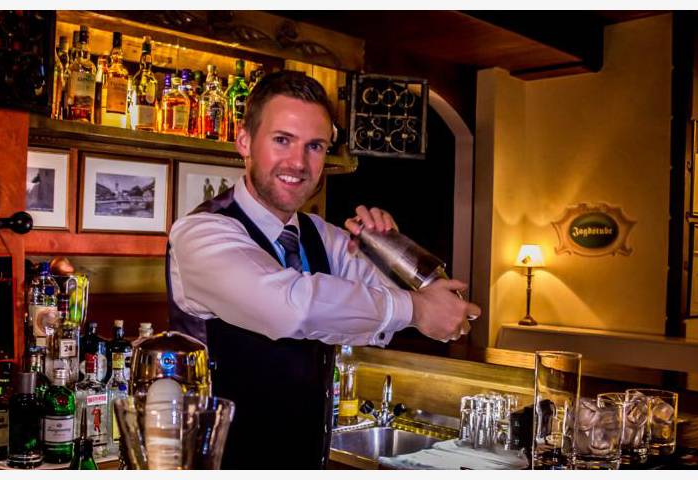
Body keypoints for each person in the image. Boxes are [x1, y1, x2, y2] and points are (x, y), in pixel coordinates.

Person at [166, 71, 480, 469]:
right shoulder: (201, 233)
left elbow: (429, 304)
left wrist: (393, 251)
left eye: (314, 146)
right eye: (282, 140)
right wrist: (416, 309)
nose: (298, 163)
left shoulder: (322, 236)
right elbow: (291, 307)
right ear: (244, 141)